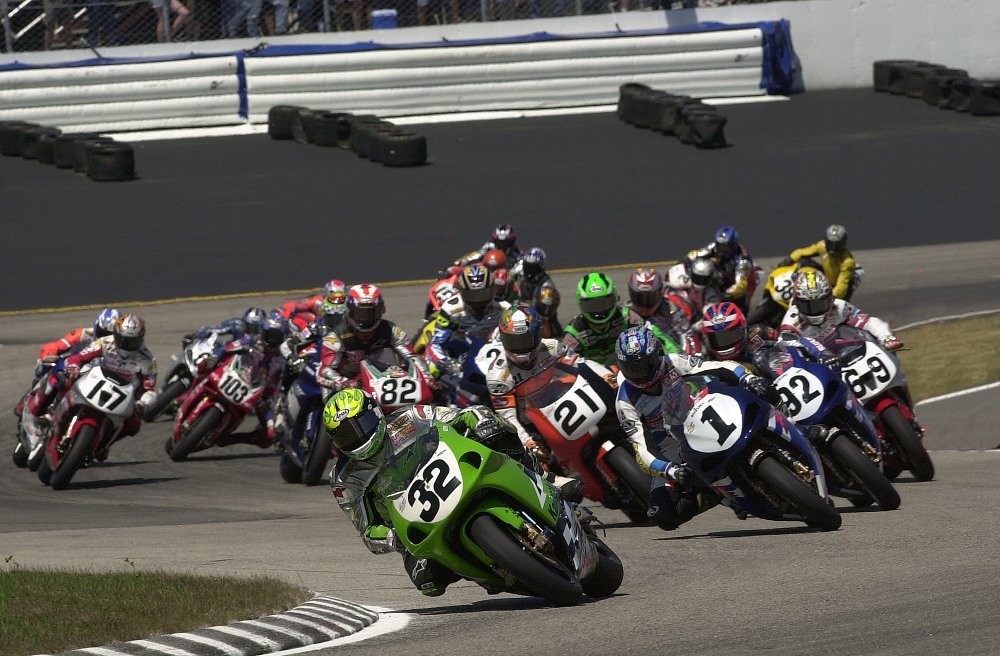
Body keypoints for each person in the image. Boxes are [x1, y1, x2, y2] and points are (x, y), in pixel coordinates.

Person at [324, 389, 580, 597]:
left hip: (455, 472)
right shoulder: (344, 480)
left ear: (376, 414)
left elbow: (459, 416)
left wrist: (480, 420)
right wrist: (393, 538)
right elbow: (367, 531)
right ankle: (494, 571)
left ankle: (546, 478)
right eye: (347, 435)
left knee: (498, 433)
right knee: (428, 581)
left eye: (362, 426)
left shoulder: (412, 416)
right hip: (416, 522)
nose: (358, 438)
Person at [614, 325, 765, 531]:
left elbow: (715, 366)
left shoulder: (673, 363)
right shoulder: (625, 402)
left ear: (658, 354)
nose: (640, 375)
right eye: (632, 368)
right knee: (661, 514)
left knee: (756, 397)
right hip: (673, 449)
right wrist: (671, 470)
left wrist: (745, 376)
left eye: (645, 365)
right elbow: (642, 451)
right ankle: (713, 495)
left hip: (701, 416)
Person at [22, 314, 157, 460]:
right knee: (61, 376)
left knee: (134, 424)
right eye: (123, 339)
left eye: (132, 341)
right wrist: (73, 366)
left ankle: (102, 445)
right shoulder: (105, 342)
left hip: (120, 395)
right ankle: (46, 408)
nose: (126, 344)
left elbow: (149, 388)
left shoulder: (148, 359)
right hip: (93, 379)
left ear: (141, 338)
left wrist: (143, 403)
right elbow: (79, 357)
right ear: (116, 334)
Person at [317, 284, 435, 397]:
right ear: (351, 311)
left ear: (381, 311)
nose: (367, 319)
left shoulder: (391, 330)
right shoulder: (336, 336)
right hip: (347, 384)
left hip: (381, 382)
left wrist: (426, 376)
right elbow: (326, 371)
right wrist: (344, 382)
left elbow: (412, 356)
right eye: (362, 313)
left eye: (373, 312)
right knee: (338, 409)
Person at [204, 309, 289, 448]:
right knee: (205, 365)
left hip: (260, 396)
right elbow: (231, 346)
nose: (271, 340)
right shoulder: (253, 339)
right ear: (263, 331)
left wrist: (274, 398)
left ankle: (233, 439)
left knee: (271, 435)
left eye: (276, 337)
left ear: (283, 337)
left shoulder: (283, 358)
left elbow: (282, 384)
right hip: (237, 375)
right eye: (269, 335)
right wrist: (216, 356)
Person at [15, 308, 121, 418]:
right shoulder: (84, 334)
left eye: (111, 335)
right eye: (103, 333)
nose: (106, 338)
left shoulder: (119, 348)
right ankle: (31, 396)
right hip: (71, 368)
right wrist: (50, 355)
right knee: (49, 365)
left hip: (94, 378)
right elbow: (56, 345)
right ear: (96, 327)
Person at [425, 265, 511, 381]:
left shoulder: (504, 308)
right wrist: (448, 364)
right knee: (433, 373)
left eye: (482, 294)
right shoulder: (451, 308)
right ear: (462, 292)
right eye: (472, 295)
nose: (478, 300)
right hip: (457, 357)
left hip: (493, 358)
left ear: (492, 291)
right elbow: (436, 344)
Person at [780, 270, 902, 351]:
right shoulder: (790, 323)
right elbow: (788, 351)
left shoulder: (839, 307)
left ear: (830, 298)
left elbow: (868, 322)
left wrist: (886, 337)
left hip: (845, 356)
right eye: (808, 306)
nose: (815, 310)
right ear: (797, 303)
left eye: (820, 303)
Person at [561, 272, 641, 366]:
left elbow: (649, 343)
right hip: (591, 377)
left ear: (615, 299)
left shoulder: (629, 317)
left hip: (630, 371)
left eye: (603, 303)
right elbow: (567, 364)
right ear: (580, 304)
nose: (599, 310)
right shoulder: (574, 332)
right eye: (592, 305)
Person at [779, 224, 861, 301]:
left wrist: (830, 298)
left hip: (837, 288)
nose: (833, 247)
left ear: (843, 243)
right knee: (804, 262)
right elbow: (802, 252)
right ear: (826, 241)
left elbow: (842, 286)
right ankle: (795, 284)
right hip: (827, 277)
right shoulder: (822, 246)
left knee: (836, 310)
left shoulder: (847, 261)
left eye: (837, 244)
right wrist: (787, 261)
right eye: (831, 243)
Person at [685, 226, 755, 312]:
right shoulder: (714, 246)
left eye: (725, 247)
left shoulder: (743, 261)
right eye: (719, 245)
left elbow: (740, 285)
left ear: (733, 245)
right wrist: (686, 263)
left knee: (739, 307)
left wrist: (724, 296)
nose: (721, 249)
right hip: (722, 276)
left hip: (739, 281)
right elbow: (696, 254)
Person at [625, 267, 683, 355]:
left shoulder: (672, 309)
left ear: (660, 293)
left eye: (650, 298)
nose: (644, 303)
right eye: (639, 298)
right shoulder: (626, 315)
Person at [441, 223, 525, 279]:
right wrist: (457, 263)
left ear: (511, 241)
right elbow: (475, 255)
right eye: (499, 243)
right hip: (485, 272)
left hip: (505, 279)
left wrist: (510, 273)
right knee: (457, 270)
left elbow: (521, 266)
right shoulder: (489, 246)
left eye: (505, 243)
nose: (502, 246)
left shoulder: (517, 253)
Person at [184, 306, 267, 346]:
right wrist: (196, 335)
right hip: (228, 352)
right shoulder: (237, 324)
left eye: (256, 327)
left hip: (248, 363)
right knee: (212, 342)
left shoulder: (265, 337)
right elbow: (214, 330)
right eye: (250, 326)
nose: (252, 330)